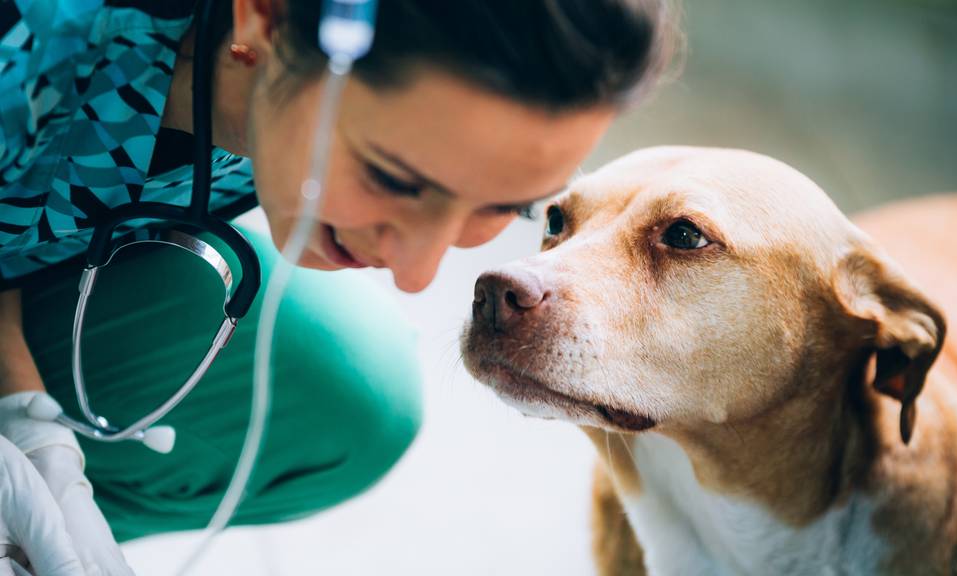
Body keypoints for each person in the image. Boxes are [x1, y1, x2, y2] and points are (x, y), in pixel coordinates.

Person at [0, 0, 677, 573]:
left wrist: (24, 412)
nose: (419, 273)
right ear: (263, 16)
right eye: (393, 178)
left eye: (509, 207)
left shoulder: (269, 84)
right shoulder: (31, 47)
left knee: (350, 390)